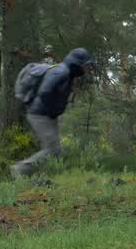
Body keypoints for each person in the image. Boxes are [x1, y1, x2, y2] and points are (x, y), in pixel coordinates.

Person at [12, 48, 93, 178]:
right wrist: (51, 110)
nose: (86, 68)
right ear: (77, 63)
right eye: (85, 65)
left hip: (45, 114)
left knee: (55, 150)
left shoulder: (66, 73)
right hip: (40, 114)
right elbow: (45, 91)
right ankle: (20, 170)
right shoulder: (61, 72)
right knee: (53, 149)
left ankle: (33, 176)